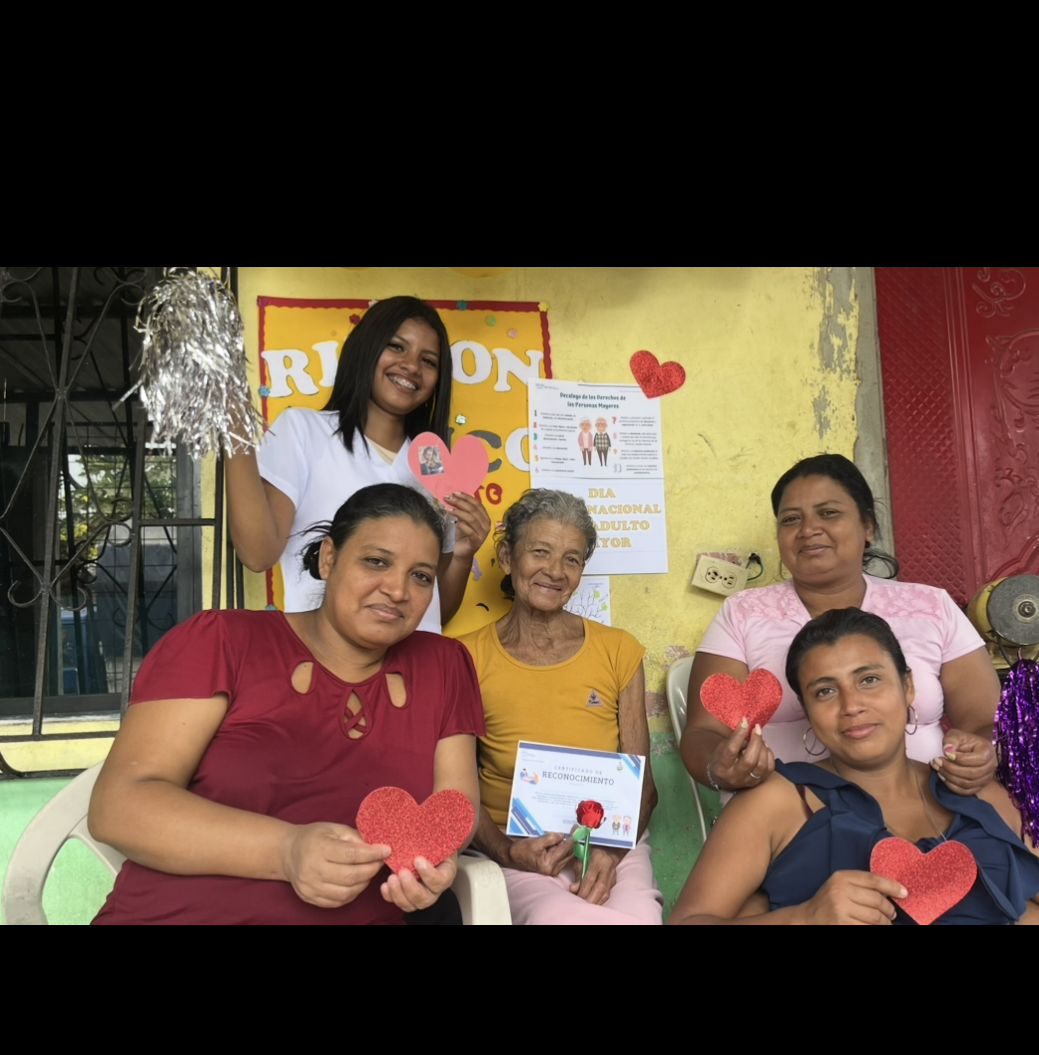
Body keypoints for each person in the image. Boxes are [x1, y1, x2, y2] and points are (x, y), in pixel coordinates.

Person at [89, 486, 484, 926]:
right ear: (329, 558)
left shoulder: (443, 666)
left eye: (421, 576)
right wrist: (286, 850)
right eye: (376, 561)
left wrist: (435, 859)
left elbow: (455, 805)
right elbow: (118, 807)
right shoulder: (222, 642)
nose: (396, 589)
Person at [670, 610, 1039, 926]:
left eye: (869, 679)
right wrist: (803, 917)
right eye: (825, 691)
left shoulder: (979, 797)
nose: (852, 705)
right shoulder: (778, 801)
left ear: (908, 688)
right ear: (808, 713)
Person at [681, 454, 1003, 802]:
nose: (808, 529)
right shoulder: (742, 613)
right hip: (785, 816)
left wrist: (982, 752)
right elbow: (703, 733)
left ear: (868, 526)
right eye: (791, 519)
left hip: (929, 807)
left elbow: (985, 719)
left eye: (828, 513)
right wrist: (719, 768)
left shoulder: (931, 606)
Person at [457, 489, 662, 925]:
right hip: (514, 849)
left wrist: (610, 852)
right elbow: (456, 788)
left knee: (641, 917)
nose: (555, 571)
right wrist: (508, 852)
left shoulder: (619, 651)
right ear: (507, 557)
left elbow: (644, 786)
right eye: (540, 552)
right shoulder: (465, 658)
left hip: (611, 845)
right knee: (561, 918)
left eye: (572, 559)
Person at [224, 296, 492, 628]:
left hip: (415, 660)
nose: (411, 366)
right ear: (365, 348)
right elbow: (257, 554)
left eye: (428, 360)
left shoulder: (433, 464)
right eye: (396, 346)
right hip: (327, 656)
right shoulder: (303, 431)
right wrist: (233, 427)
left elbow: (435, 612)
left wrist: (463, 554)